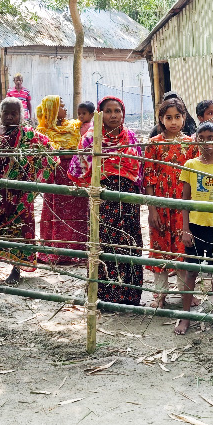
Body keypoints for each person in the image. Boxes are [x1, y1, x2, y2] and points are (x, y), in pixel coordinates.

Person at [0, 97, 56, 284]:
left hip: (20, 193)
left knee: (19, 232)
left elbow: (50, 153)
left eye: (13, 113)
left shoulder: (29, 135)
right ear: (0, 113)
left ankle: (16, 271)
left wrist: (32, 174)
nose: (9, 117)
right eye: (5, 113)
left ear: (21, 115)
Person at [68, 97, 145, 305]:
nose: (113, 115)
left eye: (117, 111)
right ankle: (103, 295)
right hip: (102, 201)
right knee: (104, 243)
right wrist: (95, 185)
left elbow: (139, 169)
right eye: (108, 111)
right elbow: (77, 169)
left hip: (128, 201)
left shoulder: (130, 137)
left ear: (123, 113)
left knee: (128, 242)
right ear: (100, 115)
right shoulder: (91, 138)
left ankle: (130, 296)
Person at [178, 122, 213, 335]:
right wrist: (185, 229)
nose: (206, 142)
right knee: (191, 271)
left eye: (210, 137)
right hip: (195, 226)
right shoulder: (190, 164)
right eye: (201, 138)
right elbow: (185, 199)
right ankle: (185, 317)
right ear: (196, 141)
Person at [144, 98, 198, 308]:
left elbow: (194, 177)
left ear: (184, 118)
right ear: (161, 119)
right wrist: (152, 209)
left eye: (177, 117)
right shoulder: (153, 144)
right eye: (169, 117)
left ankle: (186, 293)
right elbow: (149, 178)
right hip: (160, 203)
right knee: (160, 247)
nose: (173, 122)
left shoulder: (191, 144)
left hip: (183, 205)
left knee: (184, 248)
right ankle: (160, 294)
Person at [35, 95, 88, 264]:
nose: (65, 110)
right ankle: (55, 251)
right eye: (61, 107)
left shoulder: (74, 126)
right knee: (54, 211)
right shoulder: (42, 132)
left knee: (77, 211)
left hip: (75, 173)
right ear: (52, 110)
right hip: (55, 174)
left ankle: (77, 250)